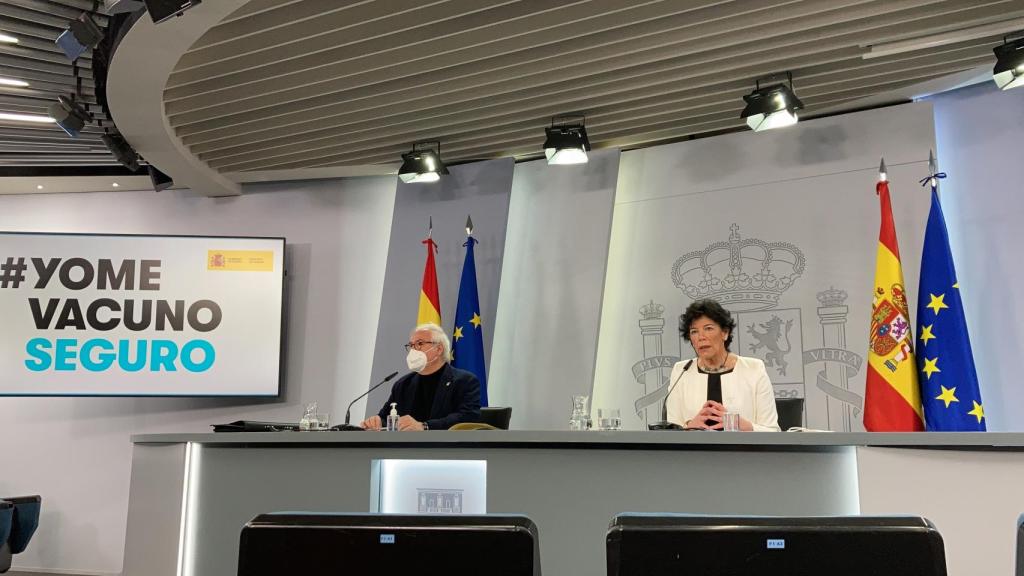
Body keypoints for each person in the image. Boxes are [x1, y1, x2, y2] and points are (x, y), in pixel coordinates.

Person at [665, 299, 780, 431]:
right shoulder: (681, 371)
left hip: (742, 445)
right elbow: (670, 432)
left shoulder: (753, 369)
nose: (701, 337)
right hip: (694, 445)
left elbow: (773, 431)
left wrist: (741, 425)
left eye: (708, 328)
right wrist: (689, 427)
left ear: (725, 333)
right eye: (694, 331)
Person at [360, 323, 481, 431]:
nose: (413, 350)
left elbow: (468, 417)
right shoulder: (403, 384)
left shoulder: (464, 381)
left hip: (445, 447)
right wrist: (376, 422)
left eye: (420, 344)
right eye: (411, 345)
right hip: (406, 447)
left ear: (439, 349)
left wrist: (425, 426)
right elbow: (386, 418)